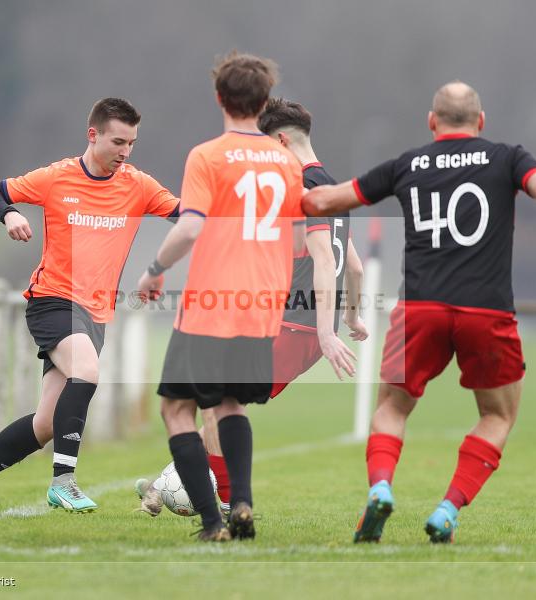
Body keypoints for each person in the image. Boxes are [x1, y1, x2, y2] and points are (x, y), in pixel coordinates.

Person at [304, 81, 536, 544]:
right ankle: (448, 509)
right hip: (485, 311)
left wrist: (278, 183)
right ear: (481, 121)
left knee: (392, 407)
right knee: (497, 415)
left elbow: (324, 200)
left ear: (432, 122)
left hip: (420, 310)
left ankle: (381, 489)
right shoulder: (508, 157)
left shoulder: (406, 164)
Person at [0, 97, 179, 517]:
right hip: (52, 300)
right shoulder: (57, 178)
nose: (125, 153)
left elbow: (187, 214)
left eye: (132, 144)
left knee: (47, 425)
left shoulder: (137, 185)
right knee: (86, 372)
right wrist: (9, 213)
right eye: (118, 142)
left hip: (96, 313)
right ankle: (63, 482)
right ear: (93, 135)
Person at [135, 97, 368, 517]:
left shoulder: (302, 187)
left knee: (215, 405)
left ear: (280, 141)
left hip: (294, 327)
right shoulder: (333, 188)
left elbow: (326, 260)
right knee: (215, 403)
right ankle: (172, 485)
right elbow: (354, 265)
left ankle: (222, 501)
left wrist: (329, 331)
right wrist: (349, 316)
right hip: (309, 331)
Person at [136, 53, 307, 542]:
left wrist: (154, 270)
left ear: (219, 98)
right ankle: (244, 504)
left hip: (213, 303)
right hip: (262, 307)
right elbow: (296, 241)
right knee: (231, 405)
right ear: (263, 101)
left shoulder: (207, 156)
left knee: (176, 409)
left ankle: (214, 523)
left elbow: (190, 226)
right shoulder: (285, 160)